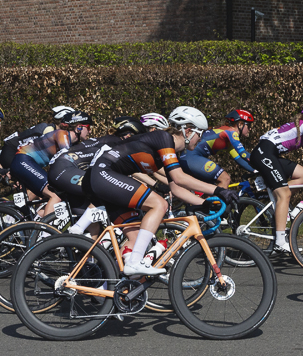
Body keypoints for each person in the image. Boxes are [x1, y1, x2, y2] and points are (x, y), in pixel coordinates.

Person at [85, 107, 239, 276]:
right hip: (103, 173)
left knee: (136, 238)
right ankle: (135, 263)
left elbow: (175, 187)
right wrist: (218, 191)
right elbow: (180, 178)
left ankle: (104, 286)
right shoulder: (164, 138)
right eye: (199, 133)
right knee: (159, 204)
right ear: (187, 130)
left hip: (105, 177)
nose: (201, 138)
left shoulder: (172, 150)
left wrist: (204, 202)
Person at [252, 104, 303, 255]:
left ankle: (280, 206)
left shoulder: (302, 128)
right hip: (264, 153)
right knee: (284, 194)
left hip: (267, 153)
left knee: (302, 175)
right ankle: (280, 242)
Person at [182, 109, 257, 189]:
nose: (250, 129)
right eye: (248, 126)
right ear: (240, 124)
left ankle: (205, 201)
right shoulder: (231, 132)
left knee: (212, 188)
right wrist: (263, 167)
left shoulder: (227, 137)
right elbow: (243, 154)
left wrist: (254, 170)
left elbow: (239, 159)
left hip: (189, 158)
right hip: (192, 157)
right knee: (225, 179)